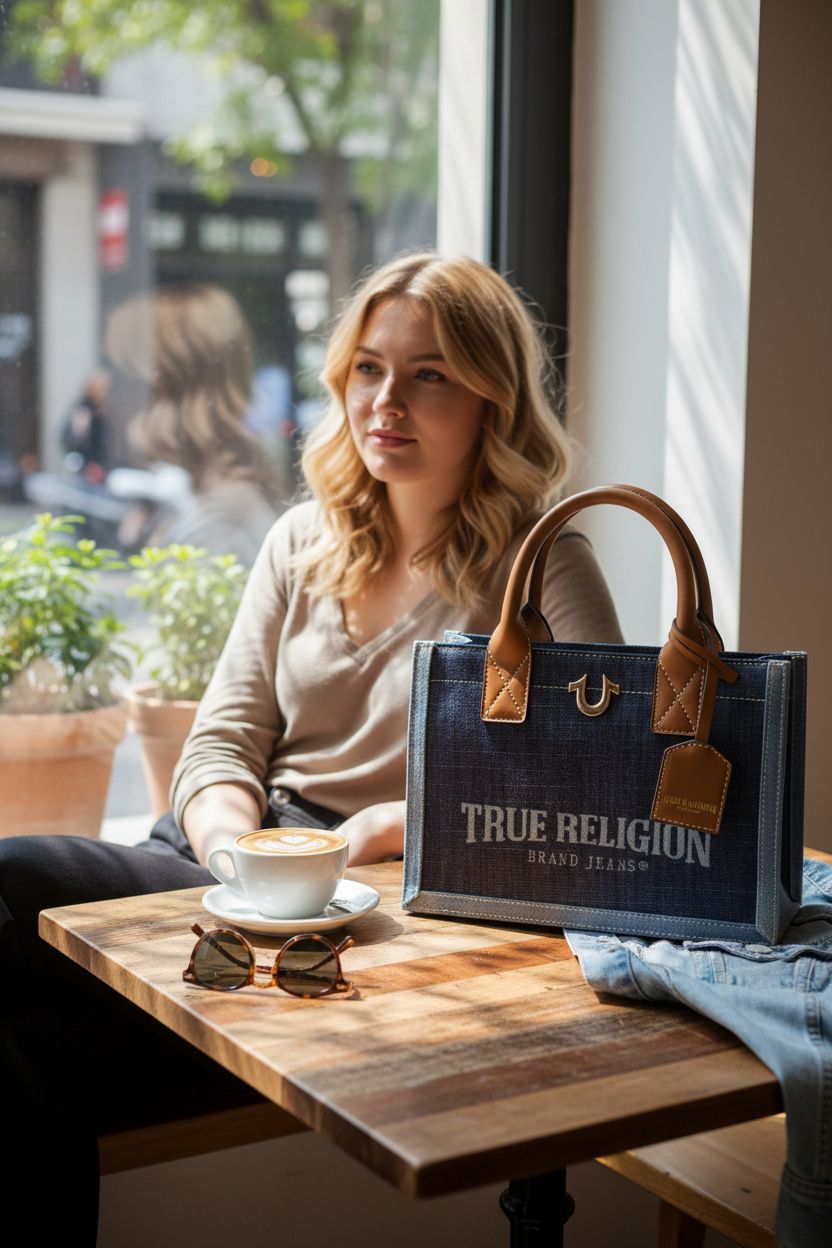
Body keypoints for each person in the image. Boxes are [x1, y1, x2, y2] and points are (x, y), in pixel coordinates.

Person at [0, 253, 622, 1242]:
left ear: (493, 400)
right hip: (227, 866)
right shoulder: (303, 540)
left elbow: (601, 790)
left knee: (41, 1046)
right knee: (11, 889)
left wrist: (392, 828)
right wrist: (237, 864)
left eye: (430, 374)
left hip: (385, 901)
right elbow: (221, 743)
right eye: (369, 368)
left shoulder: (542, 565)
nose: (387, 400)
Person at [104, 283, 285, 564]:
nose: (109, 390)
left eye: (127, 373)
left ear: (163, 387)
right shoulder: (198, 494)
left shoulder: (220, 514)